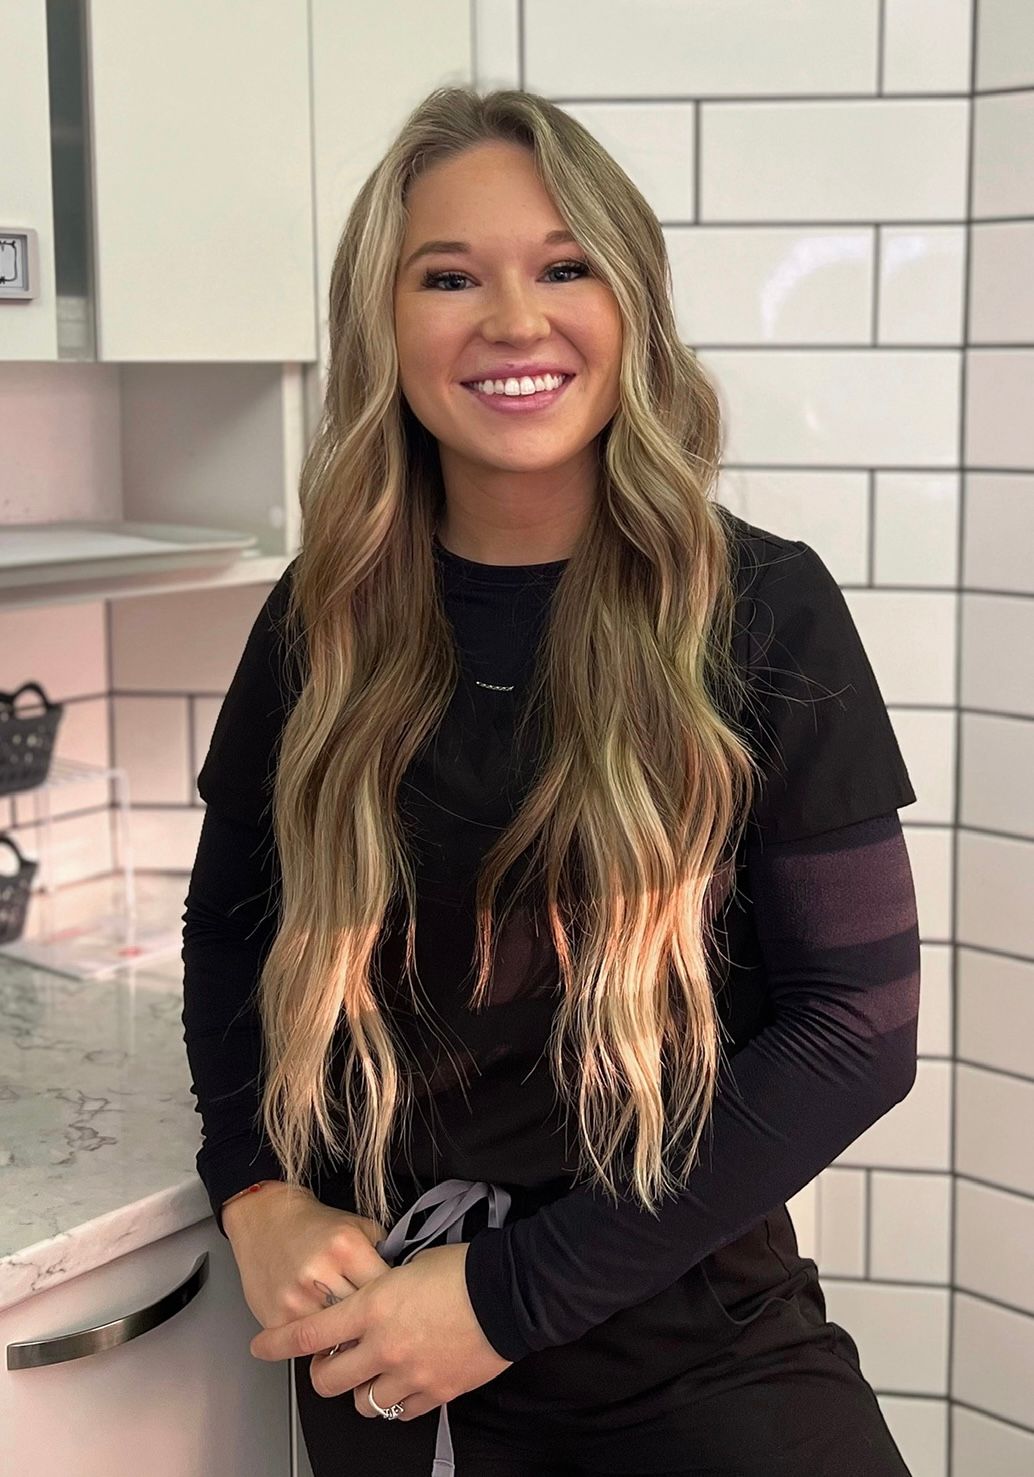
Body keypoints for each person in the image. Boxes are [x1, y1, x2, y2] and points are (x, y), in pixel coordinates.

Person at [181, 85, 921, 1477]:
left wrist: (503, 1300)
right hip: (389, 1366)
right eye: (449, 277)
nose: (515, 321)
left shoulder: (761, 609)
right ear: (382, 324)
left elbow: (855, 1032)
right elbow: (229, 932)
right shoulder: (319, 624)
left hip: (693, 1357)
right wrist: (256, 1187)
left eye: (564, 266)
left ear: (630, 304)